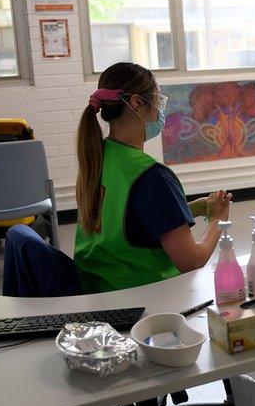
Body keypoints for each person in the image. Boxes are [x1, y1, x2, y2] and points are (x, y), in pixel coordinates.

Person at [74, 62, 232, 293]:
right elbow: (192, 261)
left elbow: (128, 219)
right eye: (158, 100)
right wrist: (219, 220)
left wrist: (190, 209)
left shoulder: (100, 156)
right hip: (143, 298)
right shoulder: (151, 176)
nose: (160, 110)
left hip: (99, 291)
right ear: (137, 103)